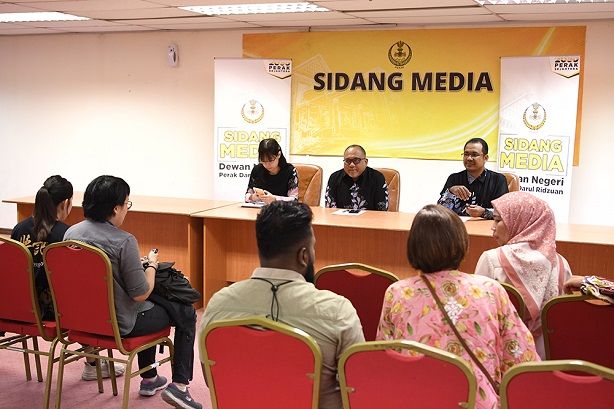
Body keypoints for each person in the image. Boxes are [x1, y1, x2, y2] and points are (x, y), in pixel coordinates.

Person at [199, 201, 364, 409]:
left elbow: (211, 380)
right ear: (304, 256)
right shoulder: (337, 311)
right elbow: (359, 388)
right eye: (313, 248)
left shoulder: (218, 305)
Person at [377, 204, 538, 409]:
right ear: (460, 243)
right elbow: (521, 358)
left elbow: (386, 358)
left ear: (413, 246)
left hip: (416, 401)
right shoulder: (490, 290)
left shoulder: (397, 293)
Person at [64, 175, 201, 409]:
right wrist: (151, 265)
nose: (127, 209)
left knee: (154, 305)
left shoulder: (71, 234)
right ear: (115, 208)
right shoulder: (124, 241)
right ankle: (179, 387)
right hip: (120, 323)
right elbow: (140, 294)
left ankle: (150, 378)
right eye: (126, 203)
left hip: (81, 319)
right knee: (185, 312)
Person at [474, 191, 572, 358]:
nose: (492, 226)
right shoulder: (562, 264)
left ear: (519, 221)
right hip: (547, 360)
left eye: (497, 220)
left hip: (500, 357)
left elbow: (478, 314)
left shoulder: (491, 260)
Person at [11, 175, 73, 321]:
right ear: (65, 203)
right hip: (56, 311)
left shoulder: (19, 229)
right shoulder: (66, 234)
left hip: (21, 306)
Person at [438, 137, 508, 219]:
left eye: (474, 155)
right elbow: (440, 211)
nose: (469, 158)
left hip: (486, 225)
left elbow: (504, 212)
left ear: (485, 158)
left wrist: (484, 212)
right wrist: (450, 192)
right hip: (459, 225)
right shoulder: (454, 178)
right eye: (466, 154)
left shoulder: (498, 180)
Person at [325, 144, 388, 211]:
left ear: (366, 162)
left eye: (356, 160)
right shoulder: (334, 178)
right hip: (341, 217)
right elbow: (330, 210)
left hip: (370, 217)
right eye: (347, 161)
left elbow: (382, 210)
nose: (351, 165)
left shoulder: (377, 178)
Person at [245, 138, 298, 204]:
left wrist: (275, 199)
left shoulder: (290, 171)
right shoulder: (257, 169)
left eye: (270, 160)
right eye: (263, 161)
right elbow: (247, 195)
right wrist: (252, 197)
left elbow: (294, 200)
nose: (267, 165)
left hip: (282, 209)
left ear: (279, 154)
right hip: (259, 208)